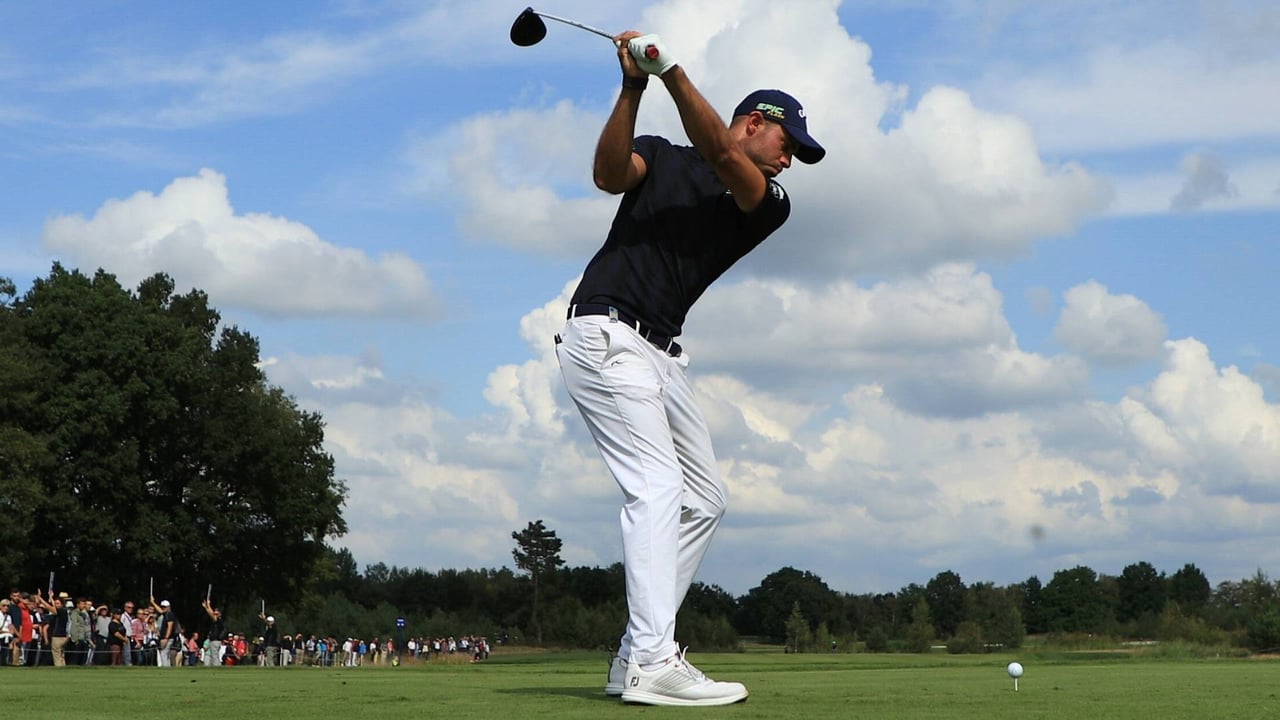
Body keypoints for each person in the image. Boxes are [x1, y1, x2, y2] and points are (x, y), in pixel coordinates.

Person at [554, 30, 823, 707]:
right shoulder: (662, 155)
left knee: (705, 499)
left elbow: (722, 155)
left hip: (662, 356)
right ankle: (652, 659)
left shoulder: (767, 200)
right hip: (607, 334)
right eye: (787, 144)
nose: (789, 161)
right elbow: (608, 175)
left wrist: (669, 70)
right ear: (754, 122)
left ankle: (634, 652)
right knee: (657, 488)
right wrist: (632, 88)